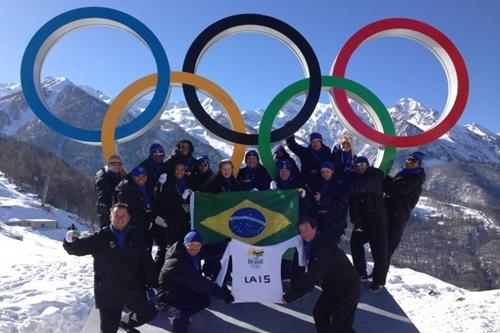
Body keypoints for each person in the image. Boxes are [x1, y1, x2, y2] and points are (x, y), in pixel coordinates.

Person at [63, 203, 158, 333]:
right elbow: (78, 248)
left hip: (133, 288)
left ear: (128, 217)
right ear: (110, 217)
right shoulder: (100, 237)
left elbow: (147, 262)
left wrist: (153, 285)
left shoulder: (136, 236)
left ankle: (125, 323)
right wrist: (69, 242)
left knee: (150, 312)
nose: (120, 218)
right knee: (108, 330)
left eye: (123, 215)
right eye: (116, 215)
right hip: (108, 292)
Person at [283, 216, 361, 333]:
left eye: (306, 230)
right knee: (320, 314)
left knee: (340, 327)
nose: (304, 234)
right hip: (332, 286)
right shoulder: (310, 243)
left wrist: (290, 296)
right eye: (301, 231)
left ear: (315, 228)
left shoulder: (324, 248)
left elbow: (311, 278)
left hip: (348, 289)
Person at [156, 230, 234, 333]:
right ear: (185, 243)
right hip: (168, 297)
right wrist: (222, 293)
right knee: (180, 321)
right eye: (192, 245)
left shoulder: (188, 251)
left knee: (204, 300)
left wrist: (229, 243)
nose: (195, 249)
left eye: (198, 245)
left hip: (183, 289)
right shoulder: (177, 262)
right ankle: (178, 315)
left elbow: (210, 250)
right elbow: (200, 283)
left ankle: (183, 313)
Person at [348, 156, 389, 292]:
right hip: (363, 222)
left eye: (362, 164)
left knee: (379, 251)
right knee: (355, 242)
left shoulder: (375, 176)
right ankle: (360, 273)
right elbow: (354, 204)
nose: (360, 166)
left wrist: (345, 182)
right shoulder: (356, 178)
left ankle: (379, 281)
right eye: (357, 164)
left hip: (377, 221)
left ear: (368, 165)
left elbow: (361, 187)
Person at [384, 152, 426, 266]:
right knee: (383, 247)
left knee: (388, 248)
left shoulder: (415, 178)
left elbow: (397, 190)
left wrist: (382, 179)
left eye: (413, 161)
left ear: (419, 164)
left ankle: (379, 280)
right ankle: (376, 275)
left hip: (398, 216)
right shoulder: (405, 173)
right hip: (392, 213)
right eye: (408, 159)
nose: (409, 162)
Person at [114, 166, 155, 240]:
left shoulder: (146, 187)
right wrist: (149, 217)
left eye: (143, 176)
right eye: (138, 176)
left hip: (145, 226)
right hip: (133, 229)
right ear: (132, 176)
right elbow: (128, 213)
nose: (141, 178)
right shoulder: (127, 190)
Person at [312, 161, 349, 243]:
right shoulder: (318, 183)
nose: (325, 174)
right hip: (320, 222)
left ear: (332, 171)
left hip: (335, 223)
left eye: (327, 171)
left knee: (331, 250)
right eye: (323, 172)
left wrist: (322, 199)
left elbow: (341, 204)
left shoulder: (340, 185)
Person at [95, 155, 125, 228]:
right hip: (108, 216)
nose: (116, 166)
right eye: (113, 163)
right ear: (108, 164)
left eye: (119, 164)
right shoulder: (103, 179)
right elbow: (102, 200)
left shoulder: (118, 176)